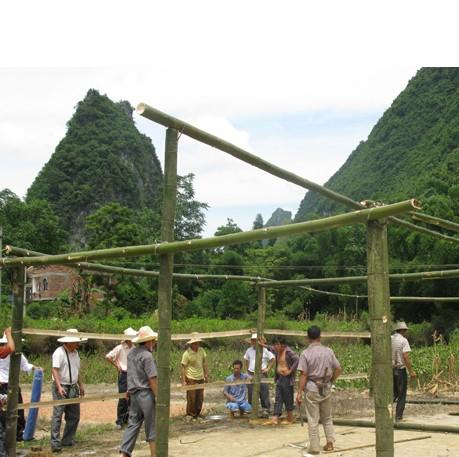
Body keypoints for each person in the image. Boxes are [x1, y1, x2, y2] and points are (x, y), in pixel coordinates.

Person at [296, 325, 341, 454]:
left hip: (312, 386)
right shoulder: (328, 351)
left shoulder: (306, 353)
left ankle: (315, 447)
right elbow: (338, 368)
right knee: (327, 417)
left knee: (313, 419)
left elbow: (304, 374)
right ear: (320, 336)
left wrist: (299, 391)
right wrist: (331, 380)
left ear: (308, 338)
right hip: (326, 386)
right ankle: (330, 443)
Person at [119, 326, 158, 457]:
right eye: (153, 340)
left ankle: (123, 454)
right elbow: (152, 378)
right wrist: (158, 396)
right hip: (145, 394)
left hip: (134, 394)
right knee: (151, 425)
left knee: (133, 424)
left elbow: (129, 374)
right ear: (149, 341)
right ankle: (154, 454)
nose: (154, 342)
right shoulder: (147, 356)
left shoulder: (131, 354)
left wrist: (128, 390)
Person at [50, 329, 87, 453]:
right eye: (76, 341)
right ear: (69, 342)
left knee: (74, 415)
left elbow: (76, 371)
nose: (77, 344)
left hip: (72, 386)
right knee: (58, 415)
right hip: (62, 386)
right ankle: (55, 443)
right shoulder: (59, 353)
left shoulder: (75, 353)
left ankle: (67, 440)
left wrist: (80, 385)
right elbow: (54, 370)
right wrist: (59, 386)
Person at [0, 333, 40, 441]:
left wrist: (35, 368)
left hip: (13, 386)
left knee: (18, 411)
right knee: (4, 412)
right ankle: (5, 434)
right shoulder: (2, 353)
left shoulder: (18, 354)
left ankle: (18, 434)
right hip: (2, 385)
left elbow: (25, 366)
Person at [261, 336, 299, 425]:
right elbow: (270, 348)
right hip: (279, 377)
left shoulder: (289, 352)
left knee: (288, 397)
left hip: (287, 378)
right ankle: (275, 417)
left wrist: (290, 371)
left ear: (282, 345)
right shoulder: (277, 351)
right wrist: (263, 345)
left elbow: (297, 360)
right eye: (275, 345)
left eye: (277, 344)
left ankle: (290, 416)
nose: (275, 346)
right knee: (278, 397)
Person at [106, 327, 137, 429]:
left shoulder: (135, 348)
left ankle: (129, 419)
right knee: (123, 397)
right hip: (123, 374)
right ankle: (120, 420)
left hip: (133, 374)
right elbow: (108, 357)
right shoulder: (120, 347)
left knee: (132, 396)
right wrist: (117, 366)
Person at [243, 333, 275, 413]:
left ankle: (266, 409)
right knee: (251, 392)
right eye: (252, 340)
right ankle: (251, 408)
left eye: (255, 340)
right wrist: (246, 371)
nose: (254, 342)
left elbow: (272, 358)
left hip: (262, 373)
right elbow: (245, 360)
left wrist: (268, 369)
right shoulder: (249, 350)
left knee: (264, 391)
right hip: (251, 373)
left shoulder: (264, 350)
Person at [181, 333, 209, 421]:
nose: (197, 344)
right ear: (191, 344)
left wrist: (206, 375)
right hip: (191, 377)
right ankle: (190, 414)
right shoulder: (186, 353)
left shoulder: (201, 351)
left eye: (198, 342)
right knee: (191, 397)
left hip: (200, 377)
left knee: (200, 397)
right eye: (195, 343)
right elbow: (183, 367)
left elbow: (204, 362)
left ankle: (197, 414)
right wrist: (184, 380)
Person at [392, 321, 416, 422]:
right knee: (401, 394)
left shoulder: (390, 338)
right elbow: (405, 356)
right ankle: (398, 417)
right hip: (400, 370)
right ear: (402, 330)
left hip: (390, 369)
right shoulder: (403, 340)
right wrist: (411, 371)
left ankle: (385, 414)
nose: (405, 332)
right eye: (405, 330)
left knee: (392, 394)